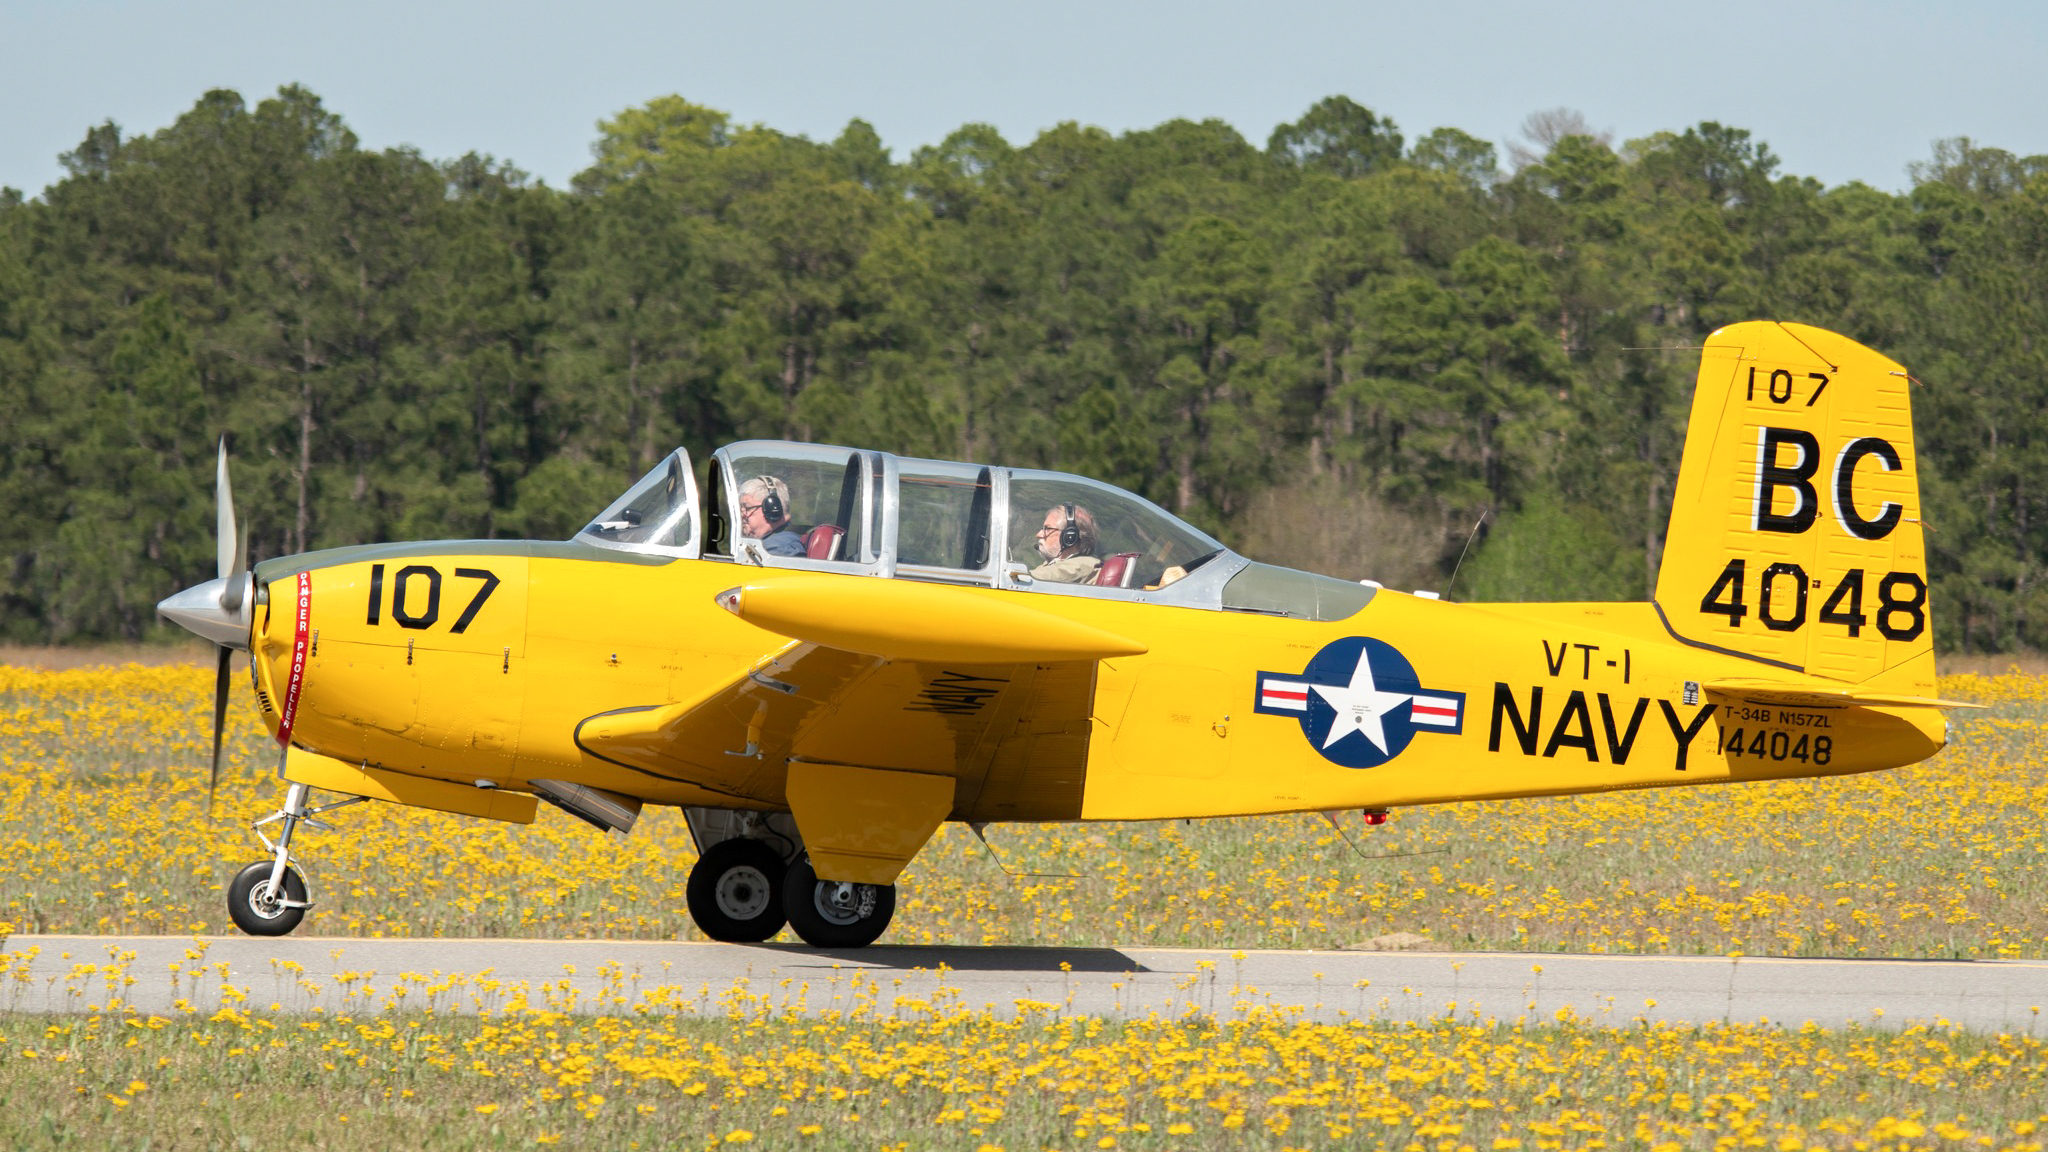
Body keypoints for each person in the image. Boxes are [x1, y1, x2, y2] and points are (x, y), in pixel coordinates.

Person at [1029, 503, 1100, 583]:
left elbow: (1027, 579)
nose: (1039, 534)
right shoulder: (1054, 563)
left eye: (1048, 529)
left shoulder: (1080, 565)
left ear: (1070, 537)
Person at [739, 475, 805, 556]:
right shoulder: (771, 542)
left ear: (771, 508)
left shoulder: (778, 549)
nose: (742, 515)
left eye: (747, 508)